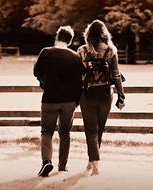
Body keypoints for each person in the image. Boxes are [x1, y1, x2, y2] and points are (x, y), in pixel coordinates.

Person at [77, 20, 125, 175]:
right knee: (99, 130)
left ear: (88, 34)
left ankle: (94, 164)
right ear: (104, 34)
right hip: (105, 95)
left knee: (91, 130)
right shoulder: (111, 51)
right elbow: (116, 75)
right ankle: (93, 161)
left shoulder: (82, 51)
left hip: (87, 95)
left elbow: (77, 76)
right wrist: (121, 96)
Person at [34, 26, 83, 177]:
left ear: (57, 37)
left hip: (50, 99)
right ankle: (63, 166)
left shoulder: (46, 52)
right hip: (69, 102)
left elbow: (36, 72)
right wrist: (76, 101)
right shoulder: (75, 57)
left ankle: (46, 162)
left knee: (46, 132)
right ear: (70, 40)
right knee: (65, 133)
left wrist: (44, 82)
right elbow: (79, 81)